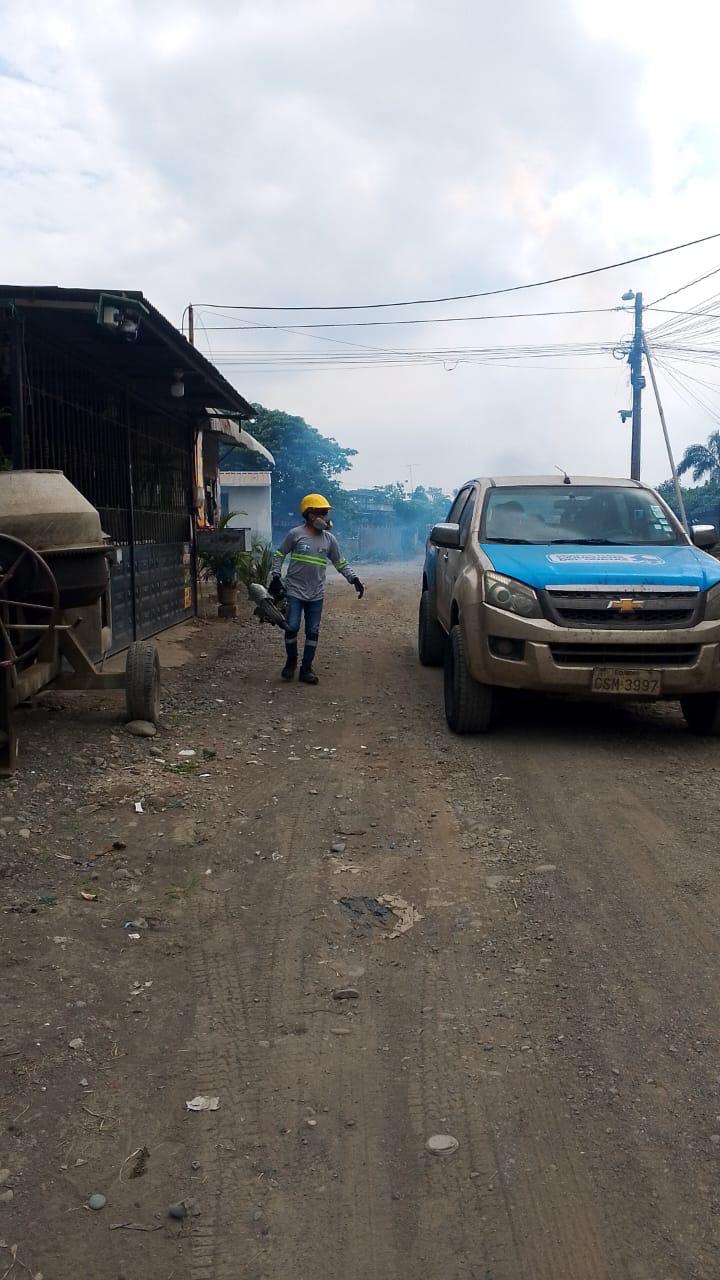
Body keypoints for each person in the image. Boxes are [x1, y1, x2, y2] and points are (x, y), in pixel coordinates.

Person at [268, 493, 365, 685]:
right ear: (311, 514)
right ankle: (291, 662)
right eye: (323, 513)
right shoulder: (295, 534)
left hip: (316, 594)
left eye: (326, 513)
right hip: (294, 591)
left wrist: (353, 579)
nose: (327, 517)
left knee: (313, 632)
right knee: (291, 627)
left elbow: (340, 562)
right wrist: (276, 576)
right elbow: (279, 554)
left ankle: (306, 669)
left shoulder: (330, 539)